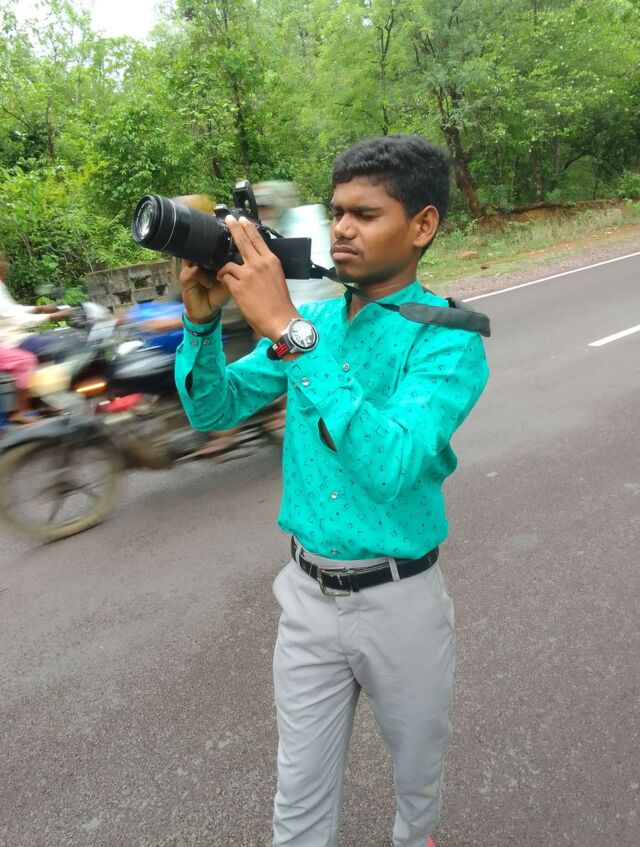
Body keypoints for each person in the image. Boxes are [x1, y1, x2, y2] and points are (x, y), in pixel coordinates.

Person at [175, 135, 490, 847]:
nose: (342, 227)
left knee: (417, 773)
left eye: (366, 214)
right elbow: (213, 410)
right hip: (307, 597)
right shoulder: (313, 325)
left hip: (400, 600)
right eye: (338, 210)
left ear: (422, 225)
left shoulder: (448, 338)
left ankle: (416, 835)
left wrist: (288, 330)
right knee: (297, 797)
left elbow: (389, 462)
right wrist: (200, 320)